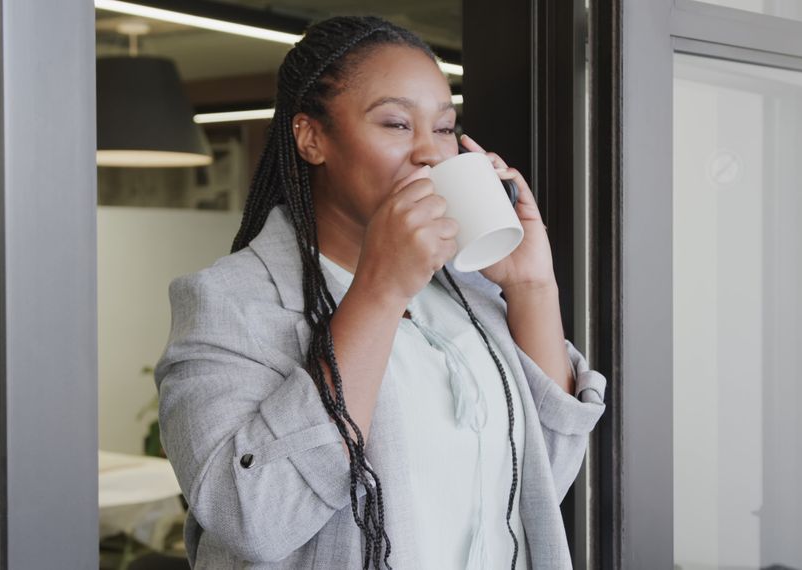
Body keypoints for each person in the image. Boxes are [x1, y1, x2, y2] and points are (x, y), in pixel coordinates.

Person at [154, 15, 607, 570]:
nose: (430, 153)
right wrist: (380, 291)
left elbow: (541, 481)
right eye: (396, 124)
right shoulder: (228, 303)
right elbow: (255, 522)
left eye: (443, 128)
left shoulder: (465, 292)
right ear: (312, 138)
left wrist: (532, 286)